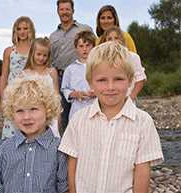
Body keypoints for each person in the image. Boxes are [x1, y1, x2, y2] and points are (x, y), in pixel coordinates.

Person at [59, 42, 163, 193]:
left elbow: (142, 171)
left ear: (130, 80)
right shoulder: (78, 120)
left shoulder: (143, 122)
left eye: (118, 79)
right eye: (102, 80)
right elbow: (72, 164)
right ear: (90, 83)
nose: (110, 87)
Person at [0, 74, 68, 193]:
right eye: (20, 111)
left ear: (48, 110)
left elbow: (64, 189)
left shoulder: (59, 149)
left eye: (33, 109)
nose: (26, 117)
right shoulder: (5, 149)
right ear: (11, 113)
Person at [50, 0, 92, 131]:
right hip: (60, 78)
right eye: (61, 9)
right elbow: (50, 59)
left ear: (73, 11)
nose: (64, 12)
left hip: (84, 75)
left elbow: (96, 48)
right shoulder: (53, 36)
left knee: (85, 112)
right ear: (58, 11)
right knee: (61, 115)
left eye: (67, 9)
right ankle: (65, 147)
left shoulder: (85, 29)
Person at [0, 16, 35, 139]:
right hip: (12, 96)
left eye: (25, 28)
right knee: (12, 130)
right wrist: (2, 99)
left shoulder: (34, 50)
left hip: (30, 95)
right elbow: (4, 76)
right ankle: (10, 157)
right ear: (15, 31)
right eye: (19, 29)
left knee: (30, 128)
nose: (22, 31)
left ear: (30, 30)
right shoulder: (9, 51)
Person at [22, 37, 60, 137]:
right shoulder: (25, 74)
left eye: (45, 55)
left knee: (51, 141)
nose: (41, 58)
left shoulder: (52, 72)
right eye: (38, 54)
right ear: (32, 53)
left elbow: (56, 94)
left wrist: (58, 114)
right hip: (31, 114)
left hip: (50, 114)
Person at [99, 26, 146, 101]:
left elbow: (140, 80)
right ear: (105, 41)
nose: (113, 41)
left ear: (122, 39)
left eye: (116, 38)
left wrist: (130, 98)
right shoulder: (100, 59)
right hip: (107, 101)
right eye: (109, 39)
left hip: (127, 99)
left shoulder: (133, 57)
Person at [61, 30, 96, 119]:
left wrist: (97, 92)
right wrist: (75, 94)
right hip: (77, 110)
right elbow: (65, 89)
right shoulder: (70, 69)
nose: (84, 49)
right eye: (81, 46)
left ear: (93, 47)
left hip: (95, 108)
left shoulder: (99, 67)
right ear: (76, 48)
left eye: (88, 45)